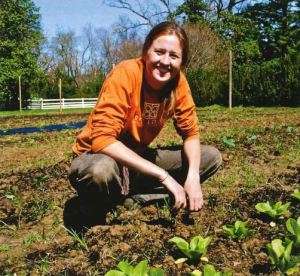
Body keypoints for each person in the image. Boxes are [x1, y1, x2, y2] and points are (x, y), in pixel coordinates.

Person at [67, 21, 222, 227]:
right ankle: (97, 210)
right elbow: (102, 141)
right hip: (98, 157)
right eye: (159, 52)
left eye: (174, 56)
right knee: (100, 170)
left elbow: (190, 134)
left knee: (210, 157)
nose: (165, 61)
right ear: (146, 52)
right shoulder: (126, 73)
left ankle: (137, 200)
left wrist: (192, 176)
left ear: (182, 61)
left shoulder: (178, 83)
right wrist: (162, 175)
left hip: (137, 160)